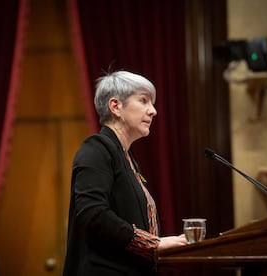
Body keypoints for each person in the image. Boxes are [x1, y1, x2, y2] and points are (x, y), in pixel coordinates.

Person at [63, 70, 187, 276]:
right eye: (144, 101)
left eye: (152, 103)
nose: (153, 111)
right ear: (115, 106)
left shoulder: (126, 157)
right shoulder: (97, 149)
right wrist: (153, 244)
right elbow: (93, 214)